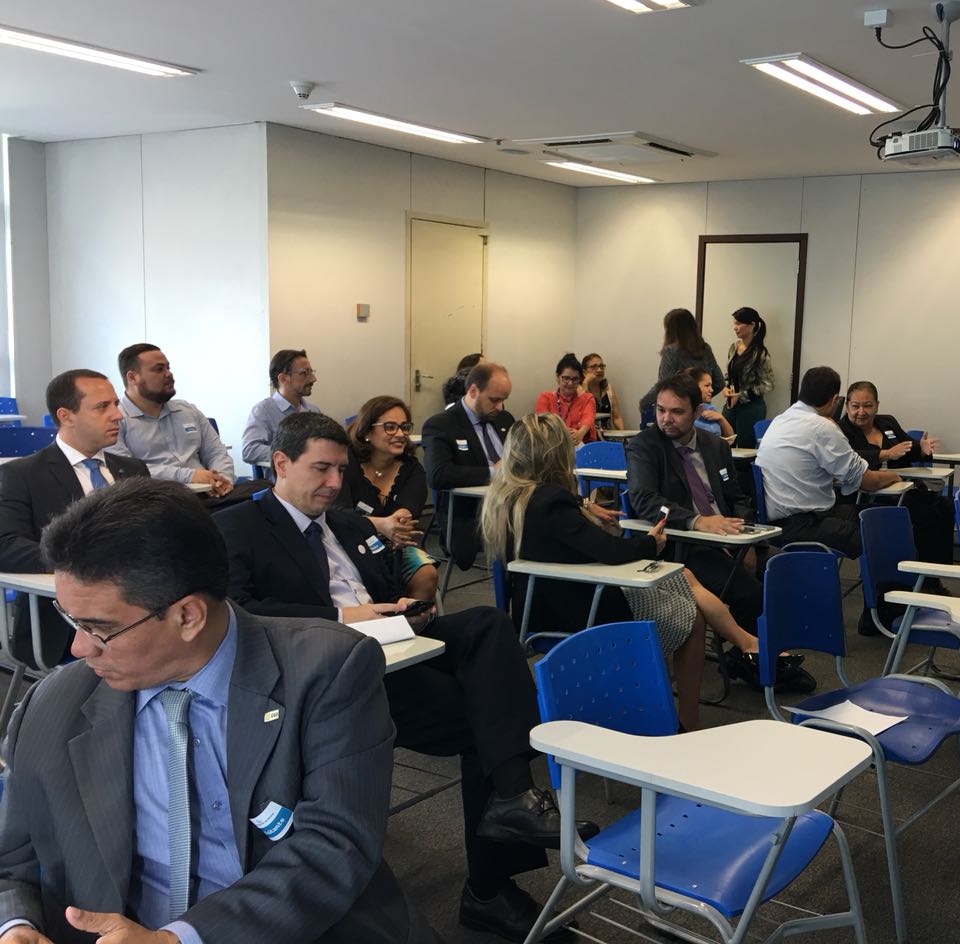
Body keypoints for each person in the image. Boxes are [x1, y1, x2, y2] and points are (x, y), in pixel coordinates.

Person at [0, 479, 437, 944]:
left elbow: (334, 846)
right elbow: (11, 861)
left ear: (188, 616)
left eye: (99, 628)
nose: (79, 648)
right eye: (71, 619)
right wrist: (16, 925)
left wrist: (180, 939)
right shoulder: (53, 704)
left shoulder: (326, 672)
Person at [213, 413, 580, 942]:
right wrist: (343, 618)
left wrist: (405, 606)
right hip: (332, 675)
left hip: (397, 646)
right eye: (321, 469)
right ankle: (495, 867)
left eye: (341, 470)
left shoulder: (347, 525)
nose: (335, 482)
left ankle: (510, 802)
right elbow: (239, 612)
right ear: (281, 464)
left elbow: (386, 589)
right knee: (490, 722)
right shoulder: (239, 527)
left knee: (487, 624)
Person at [481, 414, 789, 727]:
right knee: (692, 616)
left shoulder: (508, 498)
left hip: (541, 606)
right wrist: (650, 543)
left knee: (682, 579)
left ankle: (737, 647)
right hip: (581, 608)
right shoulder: (552, 504)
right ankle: (688, 718)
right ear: (556, 454)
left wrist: (582, 506)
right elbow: (611, 551)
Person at [626, 374, 817, 691]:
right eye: (661, 410)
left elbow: (738, 498)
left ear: (698, 412)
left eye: (677, 411)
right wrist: (696, 521)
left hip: (730, 537)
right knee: (748, 592)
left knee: (785, 570)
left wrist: (747, 541)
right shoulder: (645, 446)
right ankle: (761, 661)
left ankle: (748, 656)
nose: (666, 419)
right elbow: (645, 500)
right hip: (684, 546)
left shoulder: (714, 445)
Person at [0, 369, 149, 667]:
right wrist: (86, 561)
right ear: (66, 416)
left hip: (145, 612)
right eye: (102, 407)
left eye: (115, 404)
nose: (117, 415)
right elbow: (6, 546)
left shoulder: (133, 470)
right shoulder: (23, 475)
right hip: (68, 625)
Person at [754, 367, 903, 555]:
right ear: (834, 400)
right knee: (884, 529)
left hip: (776, 521)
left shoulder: (779, 421)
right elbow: (869, 482)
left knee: (875, 515)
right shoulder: (822, 427)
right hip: (805, 523)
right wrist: (894, 477)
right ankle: (898, 574)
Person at [335, 395, 439, 606]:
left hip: (394, 544)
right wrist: (381, 524)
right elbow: (337, 514)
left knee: (427, 574)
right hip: (346, 542)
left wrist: (398, 522)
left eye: (404, 427)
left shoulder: (412, 468)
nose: (400, 434)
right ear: (367, 432)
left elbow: (408, 513)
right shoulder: (346, 464)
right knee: (367, 576)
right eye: (390, 427)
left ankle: (412, 622)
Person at [838, 380, 953, 565]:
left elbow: (907, 447)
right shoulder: (840, 430)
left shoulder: (887, 422)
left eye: (867, 406)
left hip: (902, 488)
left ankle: (938, 570)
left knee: (946, 506)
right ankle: (922, 572)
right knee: (927, 514)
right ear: (847, 406)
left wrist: (922, 448)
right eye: (855, 406)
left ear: (877, 406)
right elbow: (849, 457)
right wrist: (885, 454)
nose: (861, 411)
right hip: (868, 494)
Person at [110, 343, 236, 497]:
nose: (168, 374)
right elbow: (125, 471)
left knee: (259, 494)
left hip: (210, 494)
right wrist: (189, 476)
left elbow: (217, 452)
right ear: (132, 377)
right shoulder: (114, 420)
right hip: (160, 500)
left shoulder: (188, 410)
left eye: (168, 367)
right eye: (159, 369)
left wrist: (222, 479)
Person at [422, 362, 514, 571]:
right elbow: (439, 475)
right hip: (473, 513)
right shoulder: (442, 425)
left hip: (511, 504)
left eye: (503, 400)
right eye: (494, 400)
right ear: (473, 391)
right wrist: (494, 472)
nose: (500, 407)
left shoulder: (504, 419)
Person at [638, 308, 724, 420]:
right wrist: (699, 398)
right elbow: (719, 382)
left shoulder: (671, 351)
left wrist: (644, 403)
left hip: (677, 413)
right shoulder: (705, 349)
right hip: (701, 411)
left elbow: (664, 385)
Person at [241, 349, 321, 468]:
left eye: (311, 372)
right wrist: (294, 454)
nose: (313, 379)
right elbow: (249, 450)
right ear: (283, 378)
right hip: (284, 478)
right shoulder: (263, 410)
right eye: (304, 373)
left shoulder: (314, 411)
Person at [721, 307, 774, 449]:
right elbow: (729, 376)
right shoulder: (733, 347)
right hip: (731, 404)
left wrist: (742, 395)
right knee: (725, 443)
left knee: (745, 448)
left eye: (738, 323)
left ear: (752, 325)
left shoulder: (760, 353)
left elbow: (768, 384)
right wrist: (725, 388)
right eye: (734, 323)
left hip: (751, 407)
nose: (735, 327)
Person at [534, 354, 596, 444]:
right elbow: (542, 424)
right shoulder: (545, 398)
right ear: (557, 377)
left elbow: (588, 418)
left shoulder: (587, 398)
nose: (570, 383)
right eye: (566, 378)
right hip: (552, 444)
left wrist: (580, 433)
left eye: (575, 379)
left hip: (579, 444)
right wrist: (564, 435)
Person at [581, 353, 624, 432]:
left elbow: (617, 417)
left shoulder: (608, 389)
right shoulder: (579, 389)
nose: (599, 370)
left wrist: (622, 434)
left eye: (601, 366)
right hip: (587, 435)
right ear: (584, 372)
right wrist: (585, 383)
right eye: (594, 367)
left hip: (607, 435)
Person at [691, 368, 735, 440]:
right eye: (707, 385)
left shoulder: (710, 410)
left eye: (711, 386)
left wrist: (721, 419)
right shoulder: (687, 414)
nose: (712, 390)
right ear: (694, 387)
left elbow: (731, 438)